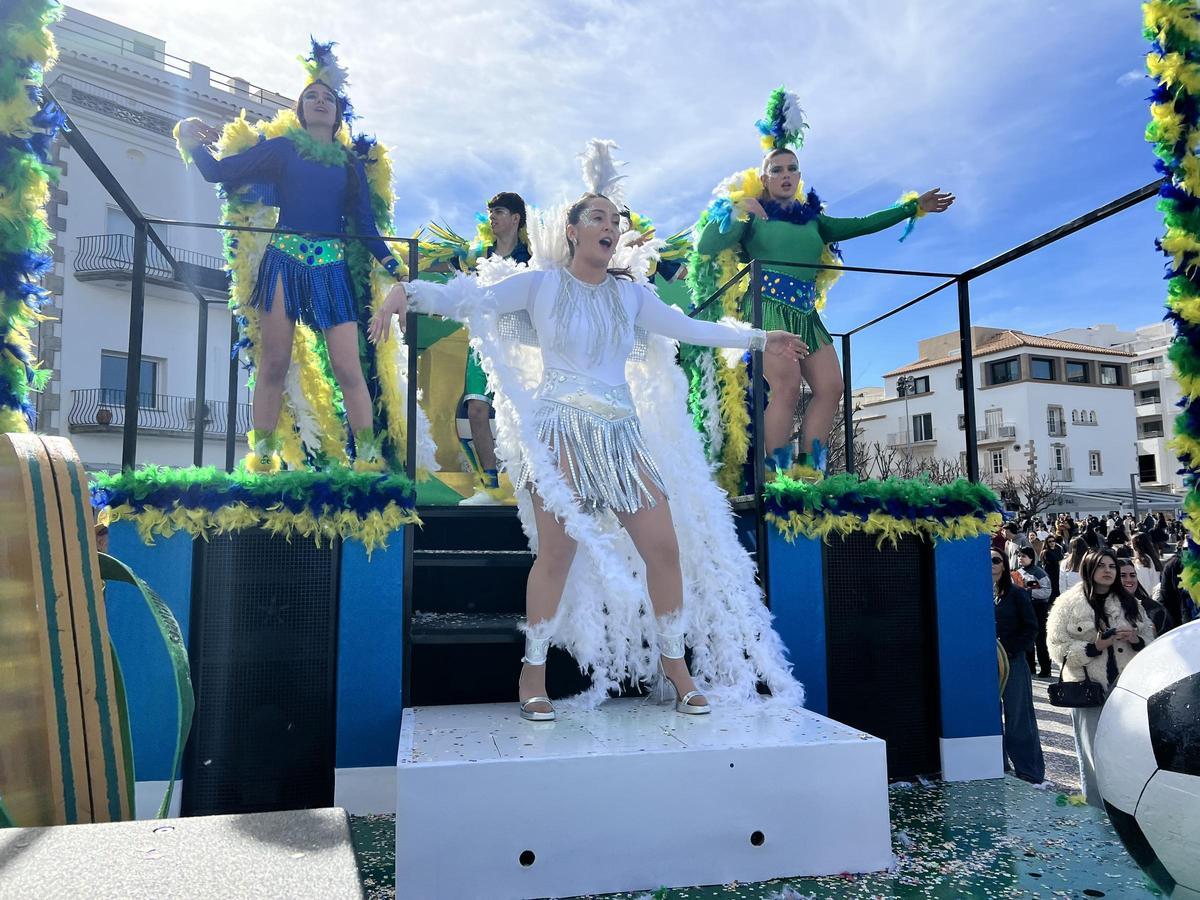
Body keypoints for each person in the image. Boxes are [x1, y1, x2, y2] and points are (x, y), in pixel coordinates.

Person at [370, 192, 807, 720]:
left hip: (622, 437)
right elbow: (471, 299)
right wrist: (406, 292)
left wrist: (762, 338)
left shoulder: (632, 296)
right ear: (572, 230)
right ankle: (532, 672)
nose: (610, 226)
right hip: (560, 433)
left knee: (663, 550)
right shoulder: (541, 285)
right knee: (557, 556)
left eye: (615, 220)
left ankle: (676, 667)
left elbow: (691, 328)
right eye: (597, 217)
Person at [689, 87, 953, 482]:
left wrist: (912, 207)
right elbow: (706, 245)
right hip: (767, 310)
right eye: (776, 170)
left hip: (806, 313)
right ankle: (778, 478)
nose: (785, 175)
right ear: (763, 178)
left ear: (799, 177)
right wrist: (736, 208)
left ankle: (809, 473)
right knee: (787, 386)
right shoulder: (753, 215)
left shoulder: (815, 220)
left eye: (791, 169)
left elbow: (861, 224)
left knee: (831, 387)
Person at [175, 45, 404, 473]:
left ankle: (367, 456)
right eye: (311, 96)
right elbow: (219, 172)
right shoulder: (282, 150)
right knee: (275, 361)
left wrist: (397, 269)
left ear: (337, 115)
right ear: (300, 111)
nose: (320, 101)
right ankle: (263, 454)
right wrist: (188, 139)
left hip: (332, 267)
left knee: (347, 366)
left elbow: (365, 227)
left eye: (328, 98)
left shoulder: (350, 165)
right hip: (283, 260)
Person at [1047, 548, 1156, 807]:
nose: (1108, 571)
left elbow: (1150, 640)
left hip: (1127, 688)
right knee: (1092, 753)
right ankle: (1096, 809)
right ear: (1088, 568)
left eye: (1112, 566)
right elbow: (1056, 647)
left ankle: (1128, 806)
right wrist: (1093, 647)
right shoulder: (1067, 604)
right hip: (1088, 689)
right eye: (1101, 565)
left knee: (1129, 749)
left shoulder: (1130, 602)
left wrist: (1135, 639)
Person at [449, 192, 532, 505]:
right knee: (476, 409)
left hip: (522, 346)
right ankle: (490, 486)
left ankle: (533, 487)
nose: (492, 217)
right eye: (491, 212)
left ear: (516, 218)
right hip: (483, 341)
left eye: (499, 211)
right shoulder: (477, 256)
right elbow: (451, 271)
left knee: (526, 415)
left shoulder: (533, 258)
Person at [992, 549, 1045, 785]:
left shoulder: (1017, 594)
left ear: (1004, 564)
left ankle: (1029, 771)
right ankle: (998, 766)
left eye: (996, 560)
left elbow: (1031, 628)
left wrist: (1010, 649)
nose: (991, 564)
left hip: (1012, 661)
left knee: (1019, 717)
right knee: (990, 718)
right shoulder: (974, 592)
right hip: (984, 665)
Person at [1016, 546, 1052, 677]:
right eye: (1019, 556)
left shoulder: (1039, 573)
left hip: (1038, 608)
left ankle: (1045, 668)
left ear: (1031, 558)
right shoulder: (1017, 572)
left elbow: (1047, 591)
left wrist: (1029, 591)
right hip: (1024, 608)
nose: (1020, 558)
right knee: (1027, 638)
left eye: (1023, 556)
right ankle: (1030, 667)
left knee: (1040, 639)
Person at [1119, 558, 1173, 636]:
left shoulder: (1155, 610)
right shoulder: (1107, 608)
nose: (1129, 579)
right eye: (1122, 576)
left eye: (1132, 575)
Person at [1131, 531, 1163, 596]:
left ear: (1135, 546)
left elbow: (1144, 583)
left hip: (1147, 596)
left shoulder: (1141, 561)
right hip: (1154, 594)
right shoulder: (1150, 558)